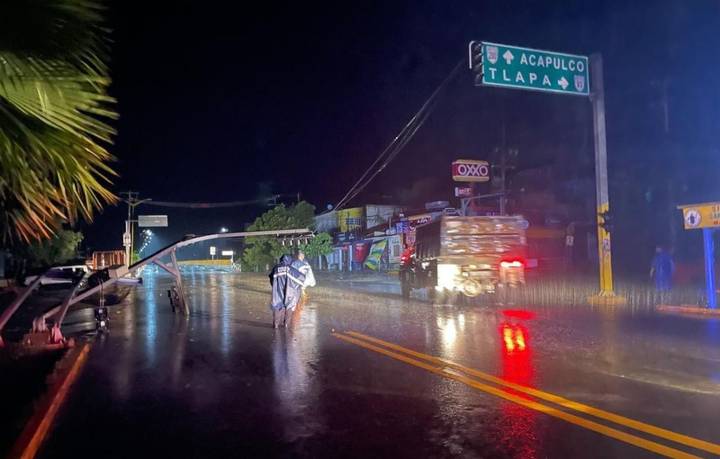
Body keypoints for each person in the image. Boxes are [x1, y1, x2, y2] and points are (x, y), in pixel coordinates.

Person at [269, 254, 306, 328]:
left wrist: (275, 286)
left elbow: (271, 278)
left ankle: (275, 325)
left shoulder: (276, 268)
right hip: (289, 291)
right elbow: (301, 277)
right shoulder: (290, 269)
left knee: (277, 306)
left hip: (278, 290)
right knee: (289, 305)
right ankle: (286, 325)